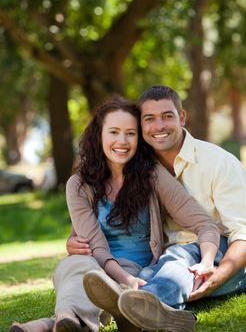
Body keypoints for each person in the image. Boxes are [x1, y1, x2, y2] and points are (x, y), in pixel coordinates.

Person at [9, 97, 220, 332]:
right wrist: (123, 280)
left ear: (139, 138)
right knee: (77, 266)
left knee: (88, 283)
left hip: (136, 271)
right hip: (95, 266)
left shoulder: (152, 175)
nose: (122, 141)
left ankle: (51, 323)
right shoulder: (78, 185)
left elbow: (204, 223)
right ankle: (68, 318)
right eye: (114, 132)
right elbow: (96, 246)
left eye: (130, 133)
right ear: (99, 135)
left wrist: (207, 260)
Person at [67, 86, 246, 331]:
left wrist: (217, 271)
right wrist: (74, 238)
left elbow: (242, 234)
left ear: (181, 118)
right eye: (149, 119)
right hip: (163, 262)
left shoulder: (220, 162)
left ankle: (132, 310)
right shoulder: (140, 164)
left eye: (167, 116)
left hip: (219, 253)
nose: (158, 126)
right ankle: (139, 310)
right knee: (148, 277)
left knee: (177, 260)